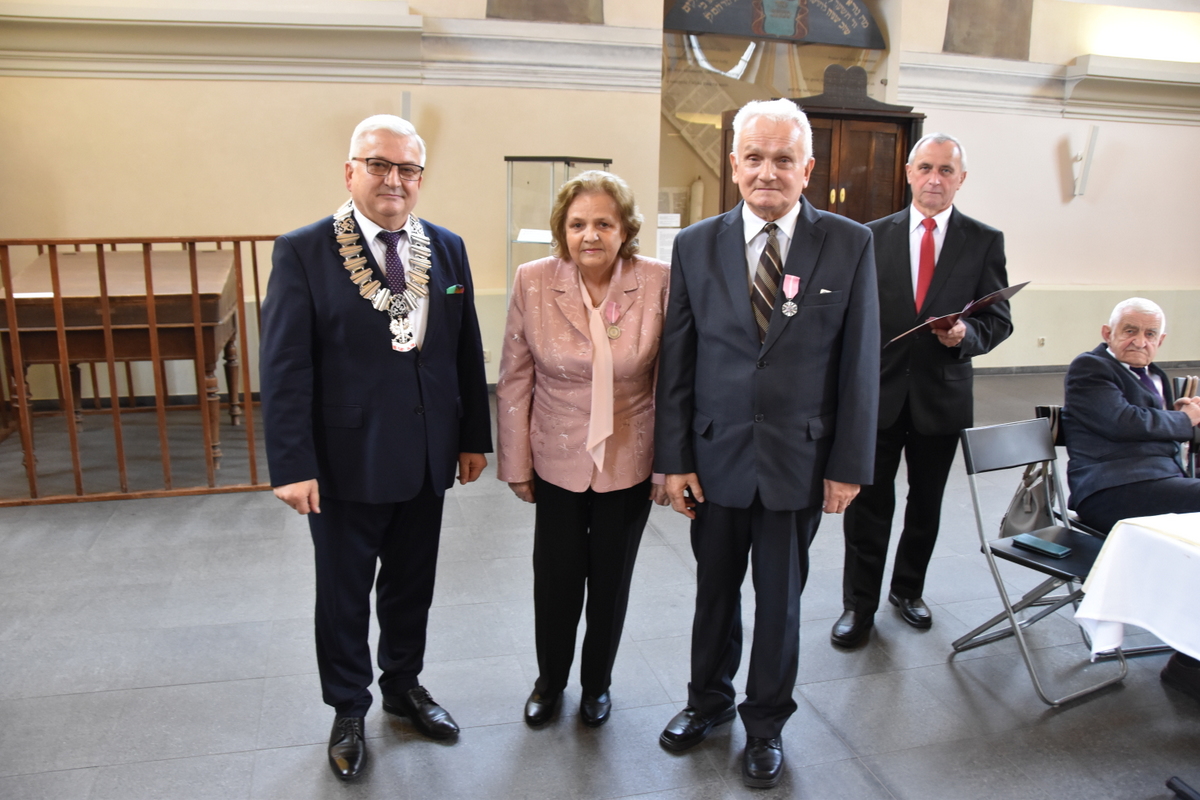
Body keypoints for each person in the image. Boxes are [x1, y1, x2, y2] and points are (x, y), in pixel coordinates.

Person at [653, 98, 879, 789]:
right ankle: (707, 703)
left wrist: (848, 466)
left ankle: (766, 725)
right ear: (734, 164)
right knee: (714, 594)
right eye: (754, 157)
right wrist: (673, 459)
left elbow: (860, 363)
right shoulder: (696, 245)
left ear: (808, 168)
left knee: (780, 605)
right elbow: (678, 360)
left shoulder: (848, 243)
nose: (767, 172)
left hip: (798, 461)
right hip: (715, 456)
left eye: (784, 159)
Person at [259, 114, 492, 780]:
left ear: (420, 177)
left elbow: (463, 347)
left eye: (408, 168)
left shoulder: (446, 248)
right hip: (343, 462)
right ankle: (347, 707)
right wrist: (293, 464)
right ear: (350, 171)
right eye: (379, 165)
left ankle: (403, 685)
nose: (395, 179)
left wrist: (472, 436)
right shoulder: (303, 251)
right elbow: (285, 367)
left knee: (411, 585)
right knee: (343, 593)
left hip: (425, 454)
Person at [495, 171, 670, 729]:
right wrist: (516, 463)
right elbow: (514, 378)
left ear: (625, 230)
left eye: (602, 224)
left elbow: (670, 382)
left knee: (611, 583)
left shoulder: (658, 281)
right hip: (556, 454)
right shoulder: (533, 280)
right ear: (561, 231)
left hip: (630, 456)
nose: (589, 235)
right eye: (576, 225)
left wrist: (668, 466)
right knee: (556, 581)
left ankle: (598, 684)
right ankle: (549, 682)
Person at [834, 133, 1012, 648]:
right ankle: (858, 605)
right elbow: (848, 317)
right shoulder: (869, 237)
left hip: (942, 397)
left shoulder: (983, 240)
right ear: (909, 173)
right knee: (867, 507)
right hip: (877, 396)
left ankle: (908, 590)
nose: (935, 179)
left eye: (946, 170)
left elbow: (999, 320)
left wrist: (966, 336)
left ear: (961, 179)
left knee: (926, 504)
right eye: (927, 168)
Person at [1062, 297, 1200, 702]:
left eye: (1150, 334)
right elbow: (1123, 422)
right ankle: (1188, 666)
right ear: (1108, 333)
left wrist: (1185, 419)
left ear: (1161, 341)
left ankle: (1190, 651)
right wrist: (1185, 420)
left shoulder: (1157, 375)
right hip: (1110, 490)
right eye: (1130, 331)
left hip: (1156, 484)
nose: (1140, 341)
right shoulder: (1090, 368)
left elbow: (1159, 430)